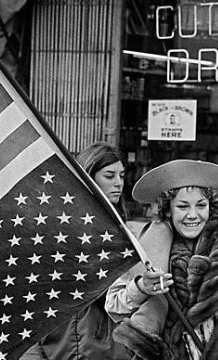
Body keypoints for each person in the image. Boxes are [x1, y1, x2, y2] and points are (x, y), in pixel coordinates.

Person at [105, 159, 218, 360]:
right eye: (183, 206)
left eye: (201, 205)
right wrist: (141, 287)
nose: (193, 215)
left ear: (211, 206)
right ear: (168, 209)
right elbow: (114, 306)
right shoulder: (149, 247)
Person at [22, 142, 131, 359]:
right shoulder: (60, 227)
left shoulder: (121, 229)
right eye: (109, 176)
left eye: (121, 175)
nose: (118, 183)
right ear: (88, 176)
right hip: (64, 341)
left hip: (106, 345)